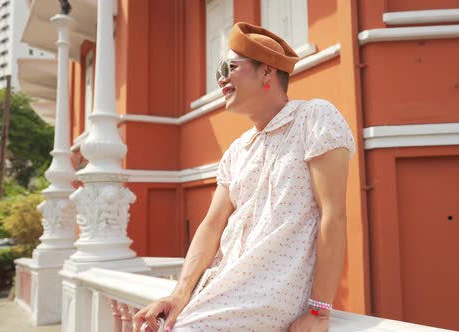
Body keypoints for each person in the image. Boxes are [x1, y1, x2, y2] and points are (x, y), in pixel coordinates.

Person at [133, 22, 356, 332]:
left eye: (230, 67)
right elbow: (212, 226)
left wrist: (319, 310)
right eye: (218, 71)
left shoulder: (314, 118)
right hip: (218, 285)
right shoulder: (238, 150)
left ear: (267, 72)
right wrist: (179, 293)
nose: (222, 79)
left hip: (266, 294)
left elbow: (333, 215)